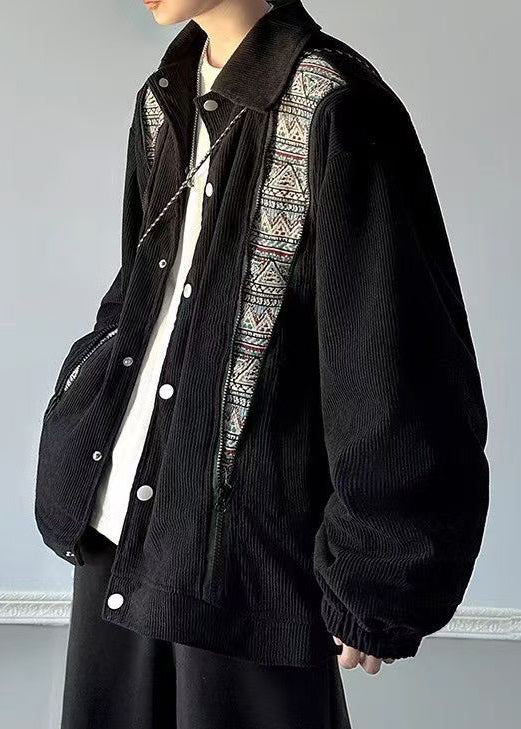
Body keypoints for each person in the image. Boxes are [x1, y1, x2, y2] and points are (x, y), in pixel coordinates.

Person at [34, 0, 490, 726]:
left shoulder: (337, 107)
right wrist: (78, 409)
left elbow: (395, 355)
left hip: (243, 555)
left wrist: (379, 572)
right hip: (112, 522)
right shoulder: (163, 98)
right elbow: (142, 295)